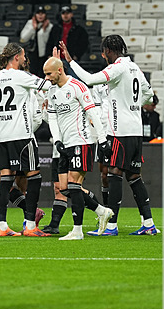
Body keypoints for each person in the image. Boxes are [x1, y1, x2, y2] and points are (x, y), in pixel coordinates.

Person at [57, 35, 160, 236]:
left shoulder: (118, 68)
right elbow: (149, 95)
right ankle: (148, 224)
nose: (104, 57)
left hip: (120, 130)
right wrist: (132, 106)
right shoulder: (135, 68)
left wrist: (70, 61)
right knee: (134, 176)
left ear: (110, 51)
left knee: (114, 173)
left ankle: (111, 226)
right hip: (135, 130)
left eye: (104, 53)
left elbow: (88, 79)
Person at [0, 42, 52, 237]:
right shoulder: (21, 76)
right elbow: (48, 85)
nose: (25, 59)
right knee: (34, 176)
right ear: (16, 57)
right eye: (24, 56)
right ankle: (29, 226)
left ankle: (2, 227)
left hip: (2, 137)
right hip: (23, 136)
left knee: (6, 180)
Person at [43, 56, 114, 240]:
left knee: (74, 186)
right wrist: (57, 140)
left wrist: (103, 138)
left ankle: (77, 230)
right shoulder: (51, 92)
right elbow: (52, 117)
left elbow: (92, 113)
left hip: (82, 141)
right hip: (64, 144)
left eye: (48, 74)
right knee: (64, 188)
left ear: (59, 70)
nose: (46, 78)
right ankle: (101, 210)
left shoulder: (77, 86)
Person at [19, 6, 53, 78]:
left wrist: (43, 30)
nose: (40, 15)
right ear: (35, 15)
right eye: (38, 13)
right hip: (32, 53)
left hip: (43, 56)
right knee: (31, 74)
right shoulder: (30, 23)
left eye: (42, 13)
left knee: (42, 75)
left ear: (45, 15)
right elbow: (23, 38)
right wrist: (33, 28)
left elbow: (47, 41)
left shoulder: (49, 26)